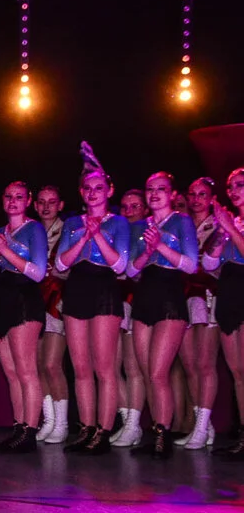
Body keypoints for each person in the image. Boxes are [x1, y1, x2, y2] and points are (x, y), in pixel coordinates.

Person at [56, 142, 131, 455]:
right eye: (87, 188)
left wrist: (96, 233)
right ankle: (86, 427)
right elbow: (60, 264)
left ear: (109, 190)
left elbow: (120, 265)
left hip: (104, 290)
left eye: (99, 187)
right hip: (77, 289)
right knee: (80, 366)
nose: (93, 193)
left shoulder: (119, 222)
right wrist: (84, 236)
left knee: (104, 367)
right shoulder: (72, 223)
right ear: (81, 192)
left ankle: (103, 430)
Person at [125, 172, 198, 458]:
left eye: (161, 189)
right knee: (147, 372)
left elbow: (191, 265)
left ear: (172, 193)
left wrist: (160, 246)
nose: (154, 194)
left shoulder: (182, 221)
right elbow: (131, 270)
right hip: (145, 296)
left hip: (170, 297)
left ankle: (162, 436)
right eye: (150, 189)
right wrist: (146, 252)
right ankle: (157, 430)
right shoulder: (140, 226)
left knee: (158, 373)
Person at [0, 182, 47, 453]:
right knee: (11, 372)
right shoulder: (0, 232)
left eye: (19, 197)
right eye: (8, 196)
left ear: (28, 201)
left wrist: (6, 250)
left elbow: (38, 272)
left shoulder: (34, 229)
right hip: (3, 298)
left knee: (26, 370)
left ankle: (30, 431)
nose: (13, 201)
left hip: (25, 299)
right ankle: (18, 428)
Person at [202, 168, 244, 460]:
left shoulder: (234, 224)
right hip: (229, 293)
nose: (235, 191)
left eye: (241, 185)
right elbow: (208, 263)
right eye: (231, 187)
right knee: (237, 372)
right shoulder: (231, 223)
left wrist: (230, 227)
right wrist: (222, 230)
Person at [176, 177, 220, 450]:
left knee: (205, 364)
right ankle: (204, 427)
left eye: (202, 194)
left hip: (208, 297)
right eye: (192, 194)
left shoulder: (219, 225)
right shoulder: (182, 224)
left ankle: (202, 426)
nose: (195, 199)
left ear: (212, 198)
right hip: (182, 297)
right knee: (190, 365)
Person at [110, 189, 149, 447]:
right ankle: (127, 423)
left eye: (135, 206)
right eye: (124, 206)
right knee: (110, 366)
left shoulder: (148, 230)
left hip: (139, 299)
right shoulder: (118, 229)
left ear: (145, 209)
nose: (129, 211)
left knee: (134, 366)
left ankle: (134, 425)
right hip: (115, 299)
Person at [34, 185, 70, 443]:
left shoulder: (68, 230)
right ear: (35, 205)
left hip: (58, 301)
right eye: (42, 202)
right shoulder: (31, 230)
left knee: (51, 364)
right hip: (33, 301)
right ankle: (49, 420)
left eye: (52, 202)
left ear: (61, 205)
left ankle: (62, 423)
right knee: (37, 365)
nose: (46, 207)